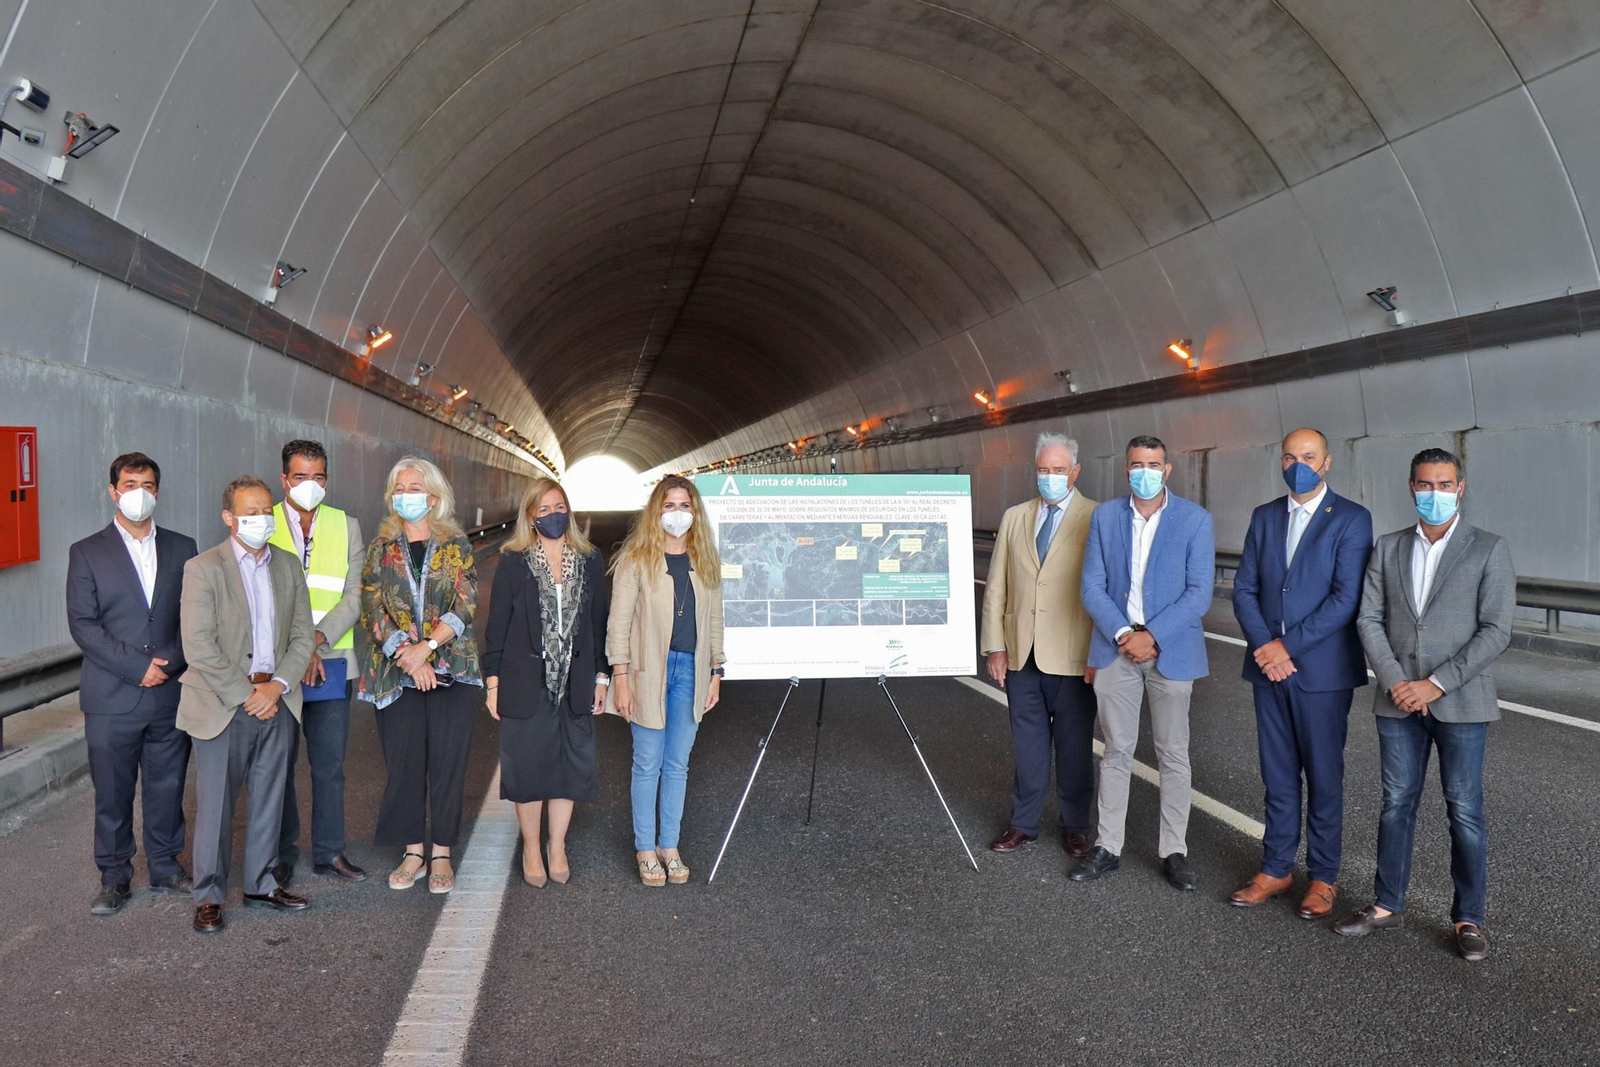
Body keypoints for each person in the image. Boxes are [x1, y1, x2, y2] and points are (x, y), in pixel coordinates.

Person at [1336, 448, 1514, 961]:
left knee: (1465, 811)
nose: (1433, 494)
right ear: (1410, 487)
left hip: (1460, 702)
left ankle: (1469, 918)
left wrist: (1435, 684)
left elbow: (1495, 630)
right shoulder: (1389, 547)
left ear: (1461, 486)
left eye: (1444, 484)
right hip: (1397, 702)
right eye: (1424, 485)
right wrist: (1396, 681)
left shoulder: (1488, 549)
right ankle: (1387, 905)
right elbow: (1369, 618)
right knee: (1396, 805)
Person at [1228, 429, 1373, 919]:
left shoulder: (1351, 519)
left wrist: (1283, 647)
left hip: (1322, 672)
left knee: (1324, 775)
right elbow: (1244, 588)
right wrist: (1266, 649)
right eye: (1290, 456)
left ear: (1327, 462)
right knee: (1278, 774)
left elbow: (1345, 600)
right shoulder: (1265, 516)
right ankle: (1275, 867)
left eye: (1308, 457)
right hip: (1269, 671)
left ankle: (1324, 877)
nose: (1298, 465)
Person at [1073, 435, 1214, 891]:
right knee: (1116, 750)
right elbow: (1092, 586)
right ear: (1126, 470)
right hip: (1116, 648)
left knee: (1173, 753)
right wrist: (1124, 634)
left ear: (1167, 470)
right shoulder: (1105, 516)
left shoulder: (1195, 520)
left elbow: (1199, 593)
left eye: (1154, 464)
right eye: (1137, 464)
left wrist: (1151, 635)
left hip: (1171, 649)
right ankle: (1108, 846)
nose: (1145, 471)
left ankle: (1175, 850)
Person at [178, 476, 315, 932]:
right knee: (216, 805)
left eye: (266, 511)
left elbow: (301, 636)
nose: (260, 520)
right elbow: (199, 645)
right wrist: (247, 695)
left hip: (276, 698)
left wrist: (276, 686)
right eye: (249, 512)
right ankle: (209, 895)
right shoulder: (203, 568)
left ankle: (261, 883)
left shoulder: (289, 566)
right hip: (224, 703)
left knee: (269, 799)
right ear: (229, 517)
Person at [65, 452, 199, 916]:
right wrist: (135, 667)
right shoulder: (86, 552)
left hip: (168, 690)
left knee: (167, 786)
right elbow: (84, 625)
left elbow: (195, 616)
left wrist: (171, 661)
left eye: (146, 484)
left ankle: (165, 866)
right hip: (111, 695)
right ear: (113, 491)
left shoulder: (184, 547)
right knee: (113, 793)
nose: (137, 492)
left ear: (157, 491)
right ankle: (114, 877)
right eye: (128, 483)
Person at [358, 457, 483, 895]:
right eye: (399, 487)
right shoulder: (380, 548)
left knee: (447, 765)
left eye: (415, 487)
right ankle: (414, 851)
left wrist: (427, 649)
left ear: (433, 496)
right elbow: (371, 606)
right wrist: (406, 656)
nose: (406, 495)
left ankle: (443, 852)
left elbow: (466, 602)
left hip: (452, 669)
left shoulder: (457, 546)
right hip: (395, 675)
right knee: (404, 765)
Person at [483, 478, 610, 887]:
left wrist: (602, 677)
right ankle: (532, 847)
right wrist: (493, 683)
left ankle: (557, 845)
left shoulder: (590, 560)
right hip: (525, 680)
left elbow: (598, 623)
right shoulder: (513, 562)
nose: (553, 515)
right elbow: (496, 629)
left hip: (575, 680)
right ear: (530, 517)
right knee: (527, 765)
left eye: (559, 507)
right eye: (543, 509)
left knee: (570, 765)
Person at [981, 432, 1099, 859]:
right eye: (1044, 470)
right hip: (1021, 653)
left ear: (1076, 472)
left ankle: (1074, 826)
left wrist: (1099, 654)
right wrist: (996, 646)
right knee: (1027, 746)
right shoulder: (1015, 516)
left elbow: (1107, 590)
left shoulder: (1098, 517)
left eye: (1059, 470)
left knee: (1074, 747)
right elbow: (997, 586)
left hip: (1075, 655)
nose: (1050, 477)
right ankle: (1023, 824)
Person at [607, 474, 726, 887]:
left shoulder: (705, 561)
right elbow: (618, 625)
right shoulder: (636, 560)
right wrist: (621, 678)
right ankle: (645, 849)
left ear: (695, 512)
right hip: (647, 673)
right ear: (656, 512)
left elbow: (715, 622)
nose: (678, 514)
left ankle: (669, 846)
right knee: (647, 763)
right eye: (669, 505)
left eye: (685, 506)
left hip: (690, 673)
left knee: (678, 765)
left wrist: (716, 672)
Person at [269, 439, 367, 885]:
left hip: (332, 662)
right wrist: (299, 650)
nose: (311, 484)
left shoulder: (346, 526)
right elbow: (257, 598)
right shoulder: (261, 522)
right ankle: (282, 852)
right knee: (279, 764)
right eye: (301, 476)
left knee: (329, 766)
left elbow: (353, 597)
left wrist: (315, 643)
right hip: (278, 669)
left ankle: (330, 852)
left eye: (319, 477)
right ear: (284, 478)